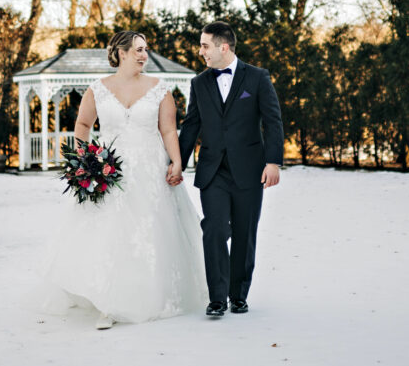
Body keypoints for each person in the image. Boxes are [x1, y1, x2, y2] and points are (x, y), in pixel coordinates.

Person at [39, 31, 205, 330]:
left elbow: (168, 131)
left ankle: (147, 295)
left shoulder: (160, 89)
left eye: (146, 50)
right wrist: (82, 161)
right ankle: (107, 302)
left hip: (150, 173)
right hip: (108, 171)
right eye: (139, 50)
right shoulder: (98, 89)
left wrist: (178, 161)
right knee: (109, 234)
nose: (144, 55)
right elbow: (83, 124)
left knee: (147, 235)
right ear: (122, 53)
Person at [177, 21, 284, 318]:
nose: (201, 52)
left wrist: (273, 161)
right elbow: (191, 126)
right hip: (213, 172)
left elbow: (273, 121)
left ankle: (238, 295)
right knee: (213, 229)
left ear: (224, 47)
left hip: (250, 171)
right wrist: (177, 163)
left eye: (205, 45)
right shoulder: (199, 83)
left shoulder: (258, 78)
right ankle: (217, 298)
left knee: (244, 233)